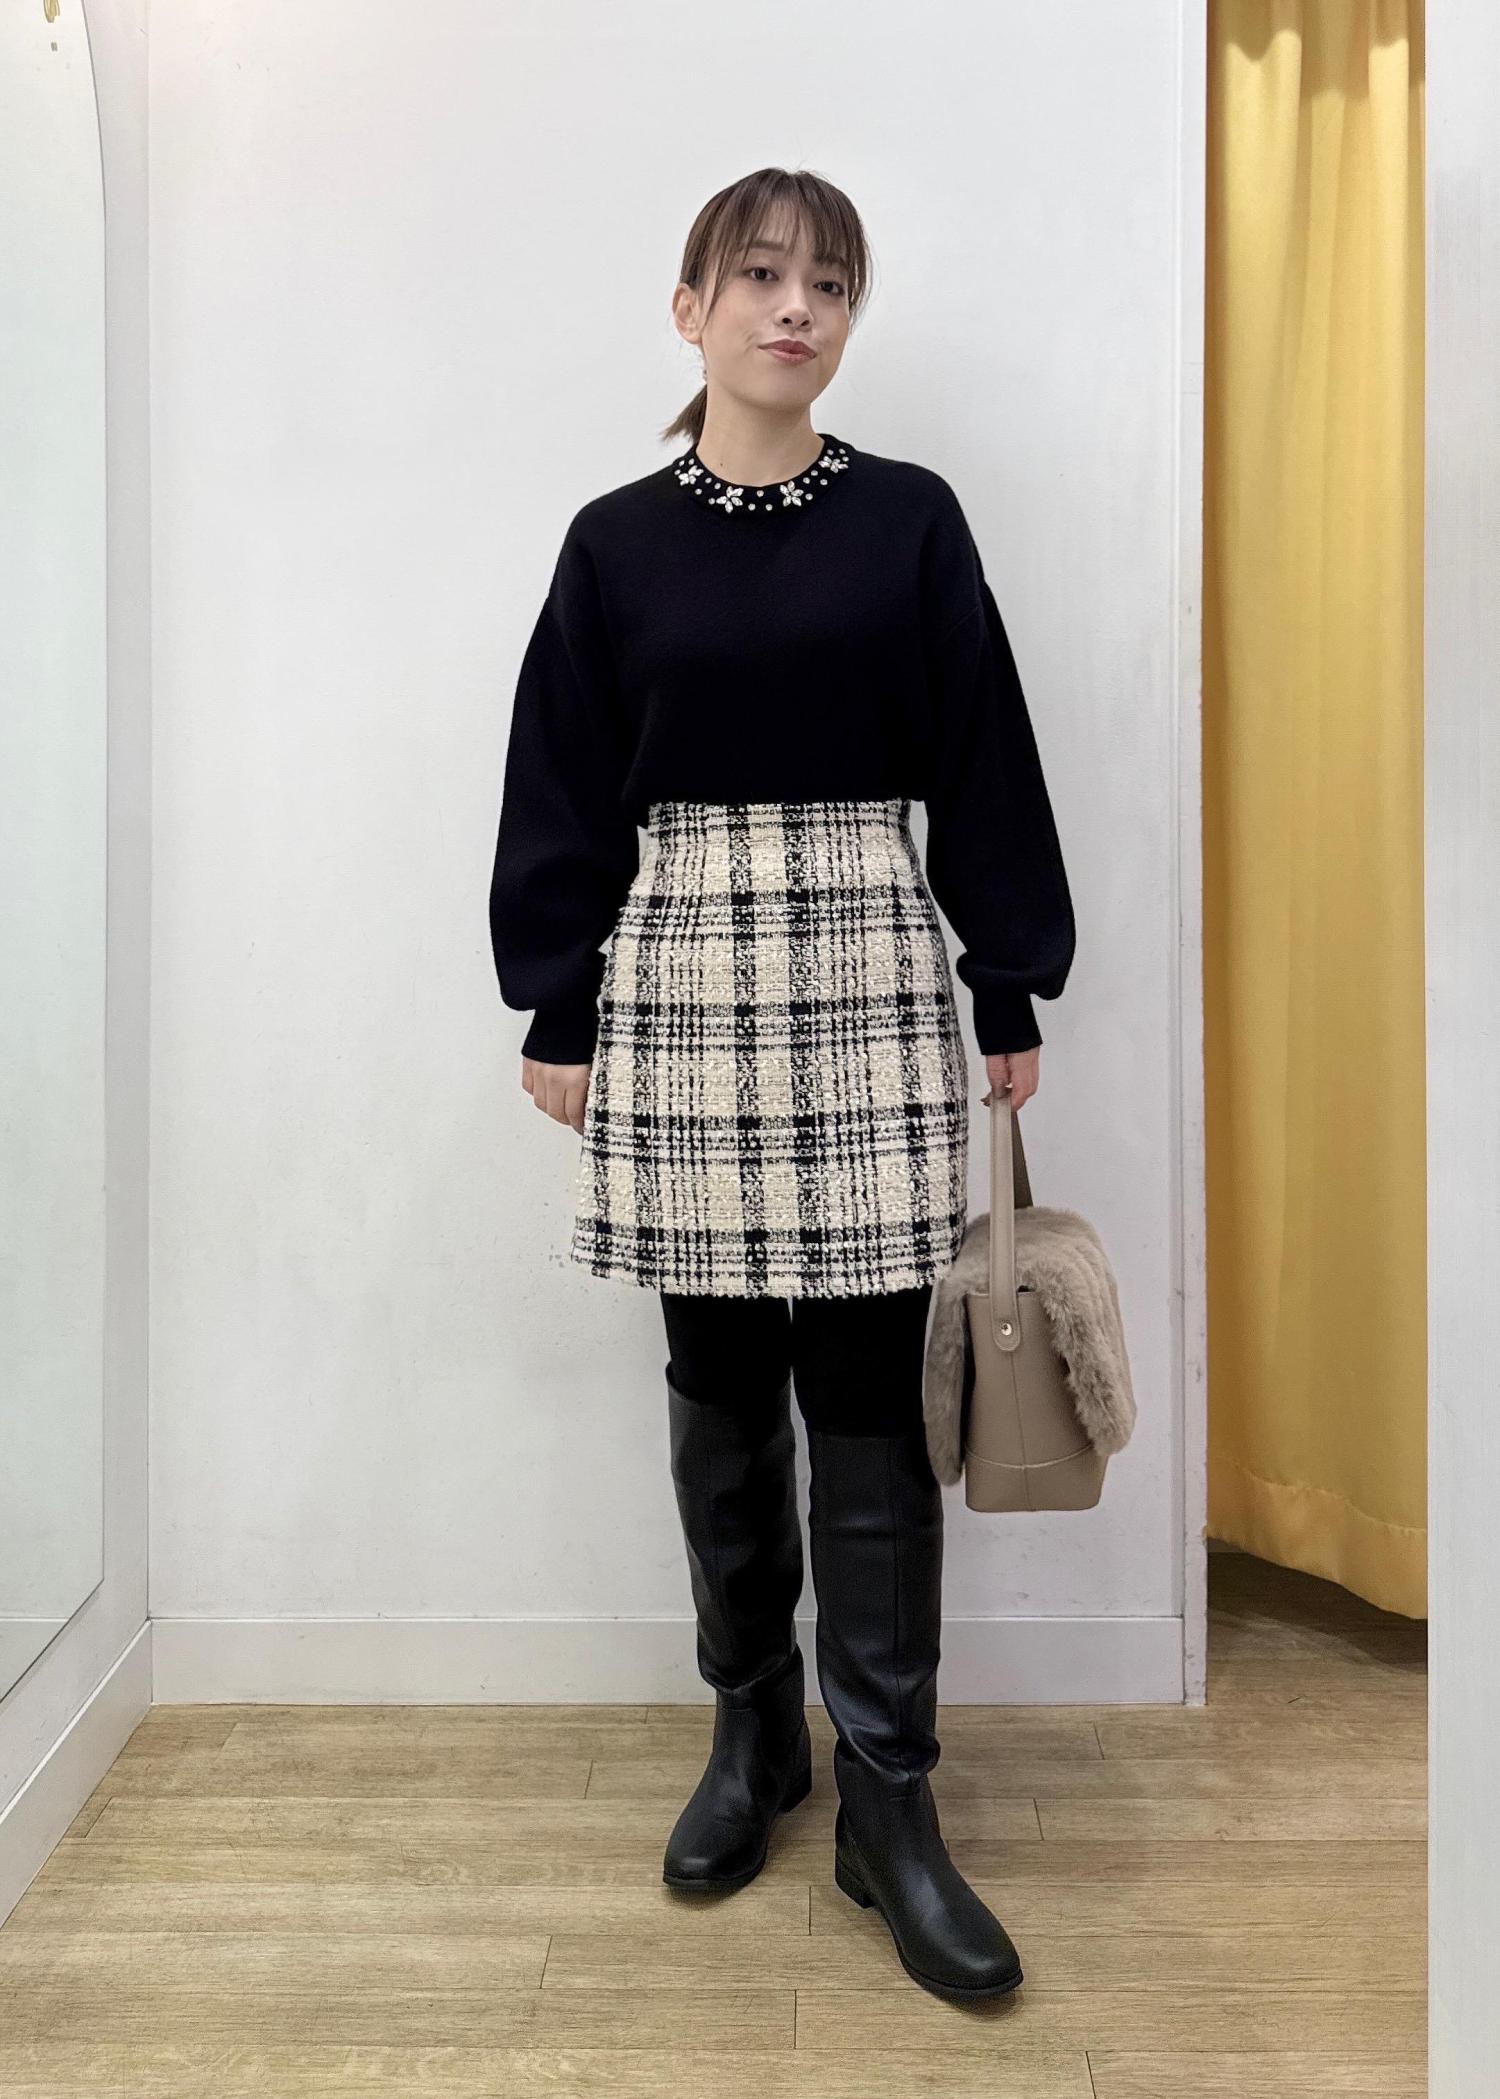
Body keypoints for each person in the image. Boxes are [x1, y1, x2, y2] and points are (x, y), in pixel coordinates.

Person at [488, 166, 1075, 2004]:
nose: (794, 307)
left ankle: (891, 1797)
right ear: (692, 309)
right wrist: (557, 1001)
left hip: (872, 965)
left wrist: (1007, 972)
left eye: (827, 282)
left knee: (877, 1394)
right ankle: (754, 1738)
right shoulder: (615, 543)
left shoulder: (910, 521)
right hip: (683, 975)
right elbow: (562, 775)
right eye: (758, 276)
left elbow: (983, 750)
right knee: (721, 1381)